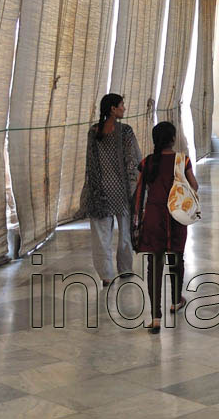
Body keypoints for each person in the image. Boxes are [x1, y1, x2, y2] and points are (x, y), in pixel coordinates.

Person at [131, 121, 197, 333]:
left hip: (154, 217)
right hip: (176, 216)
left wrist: (136, 222)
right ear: (172, 139)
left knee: (154, 265)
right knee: (176, 259)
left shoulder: (147, 162)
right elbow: (194, 186)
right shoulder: (182, 160)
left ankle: (156, 317)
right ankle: (176, 300)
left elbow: (139, 194)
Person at [81, 93, 141, 288]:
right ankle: (124, 270)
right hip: (123, 192)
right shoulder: (125, 132)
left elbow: (90, 165)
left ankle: (106, 276)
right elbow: (134, 161)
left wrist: (92, 190)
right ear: (113, 109)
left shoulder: (94, 132)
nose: (124, 108)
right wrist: (137, 186)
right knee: (125, 233)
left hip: (100, 192)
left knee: (101, 236)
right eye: (122, 105)